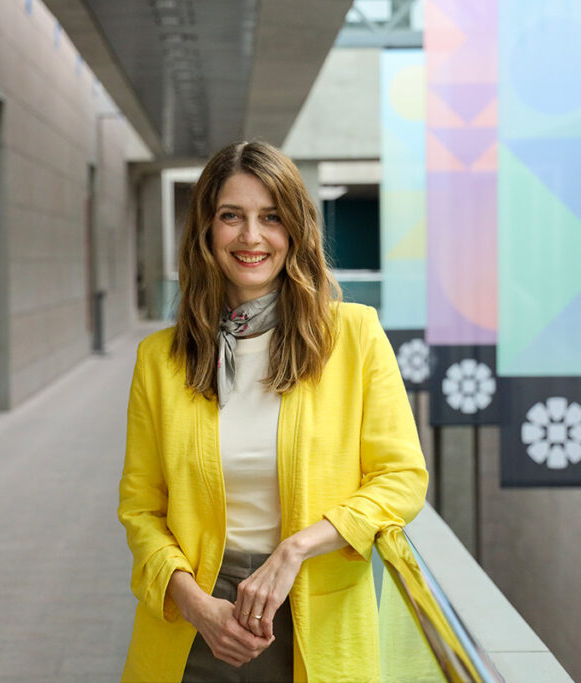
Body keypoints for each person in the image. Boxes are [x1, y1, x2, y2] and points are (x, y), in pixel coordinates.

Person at [118, 141, 428, 682]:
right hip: (194, 623)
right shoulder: (159, 360)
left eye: (271, 217)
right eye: (230, 216)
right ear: (206, 231)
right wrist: (197, 607)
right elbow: (142, 511)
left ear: (296, 230)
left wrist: (295, 549)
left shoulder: (354, 337)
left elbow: (401, 479)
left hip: (316, 615)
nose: (251, 237)